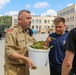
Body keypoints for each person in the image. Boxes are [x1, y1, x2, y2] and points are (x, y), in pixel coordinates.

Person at [4, 10, 36, 75]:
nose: (30, 21)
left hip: (25, 68)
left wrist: (45, 44)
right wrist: (26, 59)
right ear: (19, 20)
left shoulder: (29, 32)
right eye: (27, 18)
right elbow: (9, 51)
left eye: (30, 18)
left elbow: (34, 46)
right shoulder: (12, 32)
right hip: (13, 70)